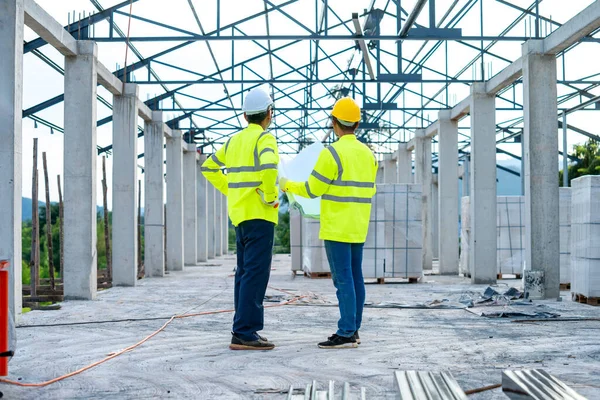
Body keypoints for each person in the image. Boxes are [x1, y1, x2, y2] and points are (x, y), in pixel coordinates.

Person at [280, 97, 377, 349]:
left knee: (343, 279)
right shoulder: (369, 155)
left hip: (337, 227)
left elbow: (313, 189)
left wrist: (287, 185)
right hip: (358, 225)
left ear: (334, 123)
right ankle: (353, 329)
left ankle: (346, 332)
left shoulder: (331, 153)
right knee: (355, 278)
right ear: (357, 124)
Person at [201, 87, 279, 351]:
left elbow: (208, 166)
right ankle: (245, 332)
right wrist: (269, 197)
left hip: (240, 216)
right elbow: (269, 168)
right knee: (255, 275)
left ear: (245, 116)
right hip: (260, 215)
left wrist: (231, 189)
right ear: (269, 114)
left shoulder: (233, 142)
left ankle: (244, 328)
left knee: (245, 273)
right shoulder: (265, 140)